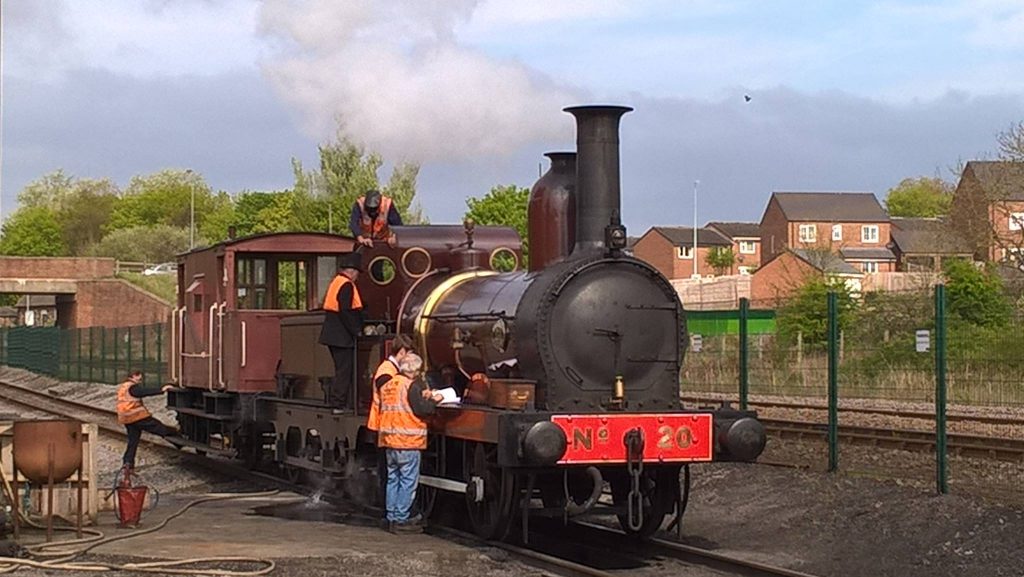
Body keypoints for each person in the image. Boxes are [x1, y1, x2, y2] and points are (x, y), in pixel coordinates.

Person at [376, 353, 442, 533]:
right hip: (407, 442)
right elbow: (421, 409)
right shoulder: (410, 386)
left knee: (392, 480)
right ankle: (401, 519)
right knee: (407, 482)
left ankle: (390, 517)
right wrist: (434, 400)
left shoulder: (389, 385)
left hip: (390, 441)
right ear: (413, 370)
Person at [318, 252, 365, 413]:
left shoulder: (336, 282)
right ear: (351, 271)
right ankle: (339, 403)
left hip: (333, 333)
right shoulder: (346, 285)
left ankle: (340, 401)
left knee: (341, 369)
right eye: (357, 273)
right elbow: (345, 310)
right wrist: (357, 330)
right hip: (341, 335)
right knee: (344, 370)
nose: (358, 277)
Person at [117, 370, 181, 471]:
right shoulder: (132, 387)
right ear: (134, 376)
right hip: (137, 416)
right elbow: (144, 392)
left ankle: (128, 463)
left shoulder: (124, 386)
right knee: (159, 428)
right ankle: (178, 438)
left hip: (127, 418)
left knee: (133, 441)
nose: (140, 379)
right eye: (139, 376)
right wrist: (161, 389)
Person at [367, 334, 416, 433]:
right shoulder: (386, 371)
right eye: (410, 355)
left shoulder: (391, 369)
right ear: (402, 352)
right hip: (384, 424)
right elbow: (390, 397)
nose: (412, 359)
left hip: (388, 424)